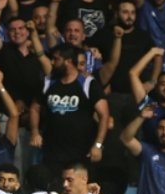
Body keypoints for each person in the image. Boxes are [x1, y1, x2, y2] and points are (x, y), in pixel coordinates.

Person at [28, 44, 110, 175]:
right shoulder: (48, 82)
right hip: (52, 152)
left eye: (56, 59)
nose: (52, 62)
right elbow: (34, 108)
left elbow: (104, 115)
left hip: (81, 152)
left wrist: (98, 145)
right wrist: (35, 132)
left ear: (68, 61)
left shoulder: (88, 84)